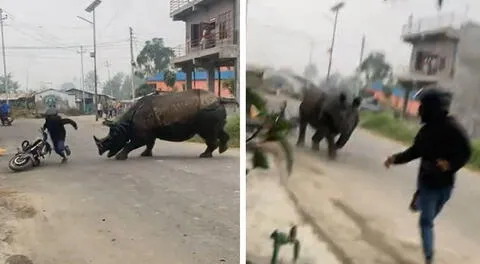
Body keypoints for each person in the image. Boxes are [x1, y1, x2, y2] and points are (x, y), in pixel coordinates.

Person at [383, 87, 471, 264]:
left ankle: (419, 200)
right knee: (426, 221)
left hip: (445, 186)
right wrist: (394, 159)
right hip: (427, 183)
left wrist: (450, 165)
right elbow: (414, 152)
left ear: (432, 107)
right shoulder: (425, 132)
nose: (419, 110)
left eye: (422, 106)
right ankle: (429, 258)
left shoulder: (452, 128)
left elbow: (466, 151)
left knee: (429, 214)